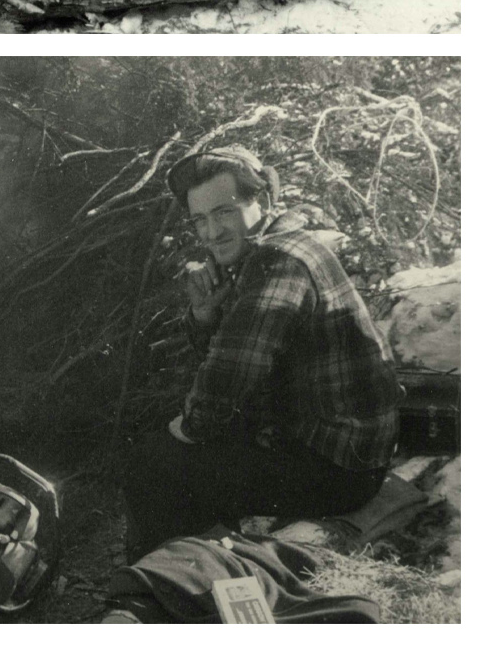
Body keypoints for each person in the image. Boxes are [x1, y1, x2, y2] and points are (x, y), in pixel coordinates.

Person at [120, 146, 399, 561]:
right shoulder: (278, 247)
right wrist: (204, 313)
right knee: (183, 449)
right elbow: (240, 357)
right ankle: (202, 561)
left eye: (224, 212)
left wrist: (189, 430)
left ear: (263, 201)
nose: (211, 233)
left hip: (339, 468)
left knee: (151, 461)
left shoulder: (277, 258)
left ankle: (165, 589)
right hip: (339, 448)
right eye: (200, 219)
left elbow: (230, 374)